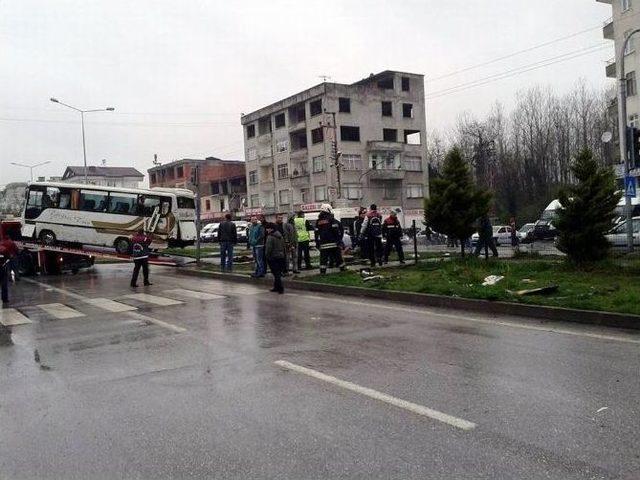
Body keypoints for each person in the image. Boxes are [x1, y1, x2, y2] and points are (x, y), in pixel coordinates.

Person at [315, 204, 346, 274]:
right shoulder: (331, 219)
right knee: (338, 258)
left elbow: (316, 233)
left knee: (323, 260)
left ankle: (322, 272)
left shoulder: (318, 221)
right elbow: (336, 230)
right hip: (333, 243)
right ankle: (343, 270)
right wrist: (339, 241)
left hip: (323, 244)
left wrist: (317, 243)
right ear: (328, 210)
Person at [264, 223, 286, 294]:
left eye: (267, 228)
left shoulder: (270, 237)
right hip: (281, 256)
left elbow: (268, 248)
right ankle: (276, 287)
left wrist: (267, 256)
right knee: (278, 272)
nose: (266, 230)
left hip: (273, 257)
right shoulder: (280, 236)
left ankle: (280, 288)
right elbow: (283, 246)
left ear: (271, 229)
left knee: (276, 273)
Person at [0, 235, 18, 306]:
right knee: (4, 284)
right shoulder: (8, 245)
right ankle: (5, 299)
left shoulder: (2, 243)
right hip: (4, 265)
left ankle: (10, 278)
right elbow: (15, 250)